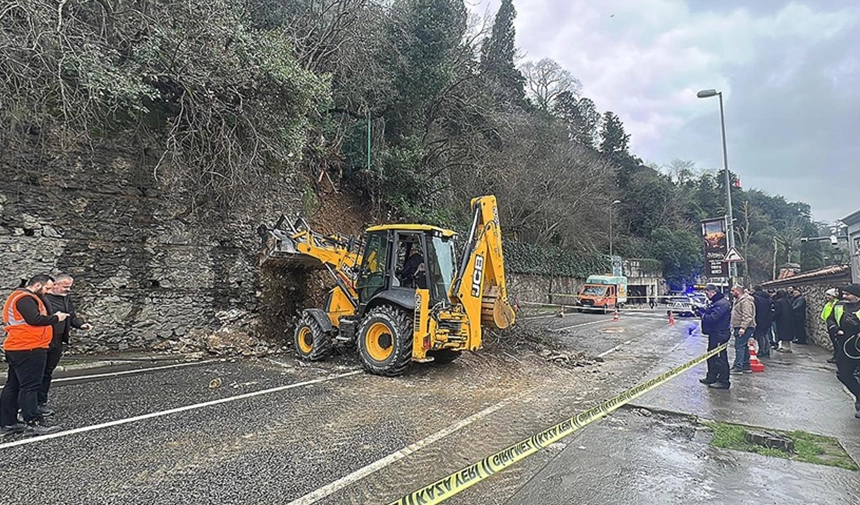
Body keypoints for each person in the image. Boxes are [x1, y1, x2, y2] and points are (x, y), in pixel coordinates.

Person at [1, 274, 67, 436]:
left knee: (14, 385)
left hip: (20, 347)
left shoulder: (20, 297)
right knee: (30, 386)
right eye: (47, 288)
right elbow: (35, 320)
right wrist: (56, 318)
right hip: (29, 347)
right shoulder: (25, 299)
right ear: (37, 285)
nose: (48, 292)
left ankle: (8, 423)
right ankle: (33, 422)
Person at [41, 274, 92, 416]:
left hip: (57, 341)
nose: (68, 289)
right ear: (54, 285)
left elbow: (71, 316)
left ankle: (41, 402)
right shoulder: (43, 299)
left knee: (47, 373)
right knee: (36, 374)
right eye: (65, 286)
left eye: (70, 286)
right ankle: (26, 406)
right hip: (43, 340)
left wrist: (81, 325)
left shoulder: (66, 298)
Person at [824, 284, 860, 419]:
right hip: (844, 346)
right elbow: (830, 318)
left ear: (857, 295)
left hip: (858, 346)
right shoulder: (839, 305)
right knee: (843, 374)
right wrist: (835, 329)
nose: (844, 296)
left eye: (848, 294)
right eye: (844, 294)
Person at [700, 284, 732, 389]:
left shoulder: (721, 304)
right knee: (711, 356)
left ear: (713, 292)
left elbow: (713, 318)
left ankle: (723, 381)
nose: (706, 295)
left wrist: (703, 315)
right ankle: (711, 376)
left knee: (719, 357)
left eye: (707, 293)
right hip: (715, 333)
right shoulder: (716, 303)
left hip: (720, 334)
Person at [730, 285, 756, 374]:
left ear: (738, 291)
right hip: (742, 326)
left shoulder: (745, 301)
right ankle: (745, 365)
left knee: (739, 346)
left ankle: (738, 366)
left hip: (745, 327)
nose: (731, 293)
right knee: (744, 346)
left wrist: (743, 327)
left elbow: (747, 315)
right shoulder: (739, 300)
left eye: (733, 291)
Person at [752, 285, 773, 359]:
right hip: (767, 318)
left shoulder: (755, 298)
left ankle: (762, 350)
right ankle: (767, 350)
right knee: (765, 334)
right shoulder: (767, 297)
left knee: (760, 335)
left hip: (759, 318)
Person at [822, 288, 841, 364]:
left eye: (829, 295)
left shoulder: (837, 304)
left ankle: (837, 357)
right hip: (830, 325)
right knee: (834, 342)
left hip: (836, 326)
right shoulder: (829, 303)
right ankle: (835, 356)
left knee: (837, 343)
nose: (827, 297)